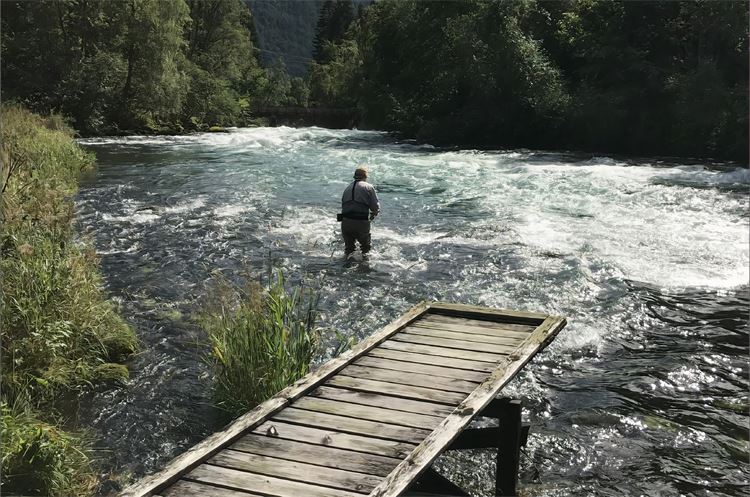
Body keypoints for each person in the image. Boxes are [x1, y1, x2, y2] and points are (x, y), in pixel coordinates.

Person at [340, 166, 380, 256]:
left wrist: (342, 222)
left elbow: (343, 206)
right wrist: (374, 214)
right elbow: (375, 207)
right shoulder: (368, 187)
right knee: (366, 248)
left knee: (349, 249)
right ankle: (365, 267)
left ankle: (346, 266)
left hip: (345, 222)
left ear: (354, 176)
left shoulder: (347, 188)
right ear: (365, 176)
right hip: (360, 221)